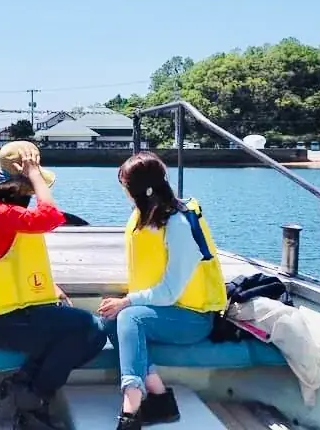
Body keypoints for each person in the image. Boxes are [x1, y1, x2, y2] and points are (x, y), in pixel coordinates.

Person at [0, 141, 106, 429]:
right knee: (92, 331)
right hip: (3, 321)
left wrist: (49, 286)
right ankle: (31, 396)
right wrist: (36, 175)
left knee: (78, 329)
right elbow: (51, 216)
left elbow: (16, 260)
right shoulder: (0, 214)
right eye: (31, 189)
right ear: (23, 188)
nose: (34, 195)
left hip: (16, 313)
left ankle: (23, 388)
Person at [97, 152, 227, 430]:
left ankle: (131, 405)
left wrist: (128, 301)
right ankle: (158, 395)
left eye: (125, 186)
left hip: (192, 319)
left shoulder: (178, 225)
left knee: (128, 317)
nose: (124, 193)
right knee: (111, 319)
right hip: (164, 311)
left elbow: (169, 291)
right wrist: (123, 303)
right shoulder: (145, 216)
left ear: (141, 189)